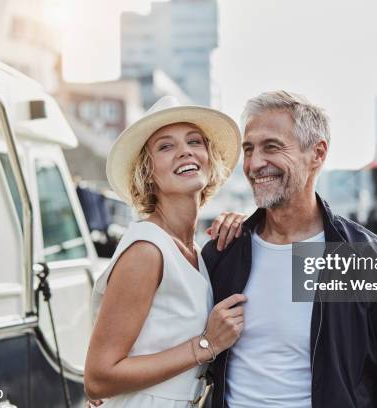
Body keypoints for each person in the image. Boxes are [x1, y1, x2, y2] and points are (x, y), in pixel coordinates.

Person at [203, 90, 377, 407]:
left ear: (318, 154)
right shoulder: (223, 251)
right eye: (248, 149)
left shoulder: (365, 259)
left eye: (272, 147)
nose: (255, 163)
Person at [84, 96, 246, 408]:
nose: (185, 150)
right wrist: (207, 344)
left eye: (194, 141)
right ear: (148, 171)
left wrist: (245, 226)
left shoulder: (195, 251)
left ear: (209, 158)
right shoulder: (147, 250)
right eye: (166, 146)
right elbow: (98, 378)